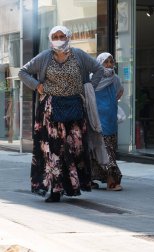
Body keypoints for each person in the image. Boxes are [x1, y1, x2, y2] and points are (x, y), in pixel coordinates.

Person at [18, 26, 104, 202]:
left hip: (74, 107)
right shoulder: (44, 56)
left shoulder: (78, 55)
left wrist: (88, 88)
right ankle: (55, 189)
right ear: (51, 39)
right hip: (50, 110)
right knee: (53, 150)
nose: (58, 39)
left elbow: (99, 69)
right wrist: (37, 86)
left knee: (74, 148)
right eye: (55, 36)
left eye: (62, 36)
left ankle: (71, 186)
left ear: (68, 37)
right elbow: (23, 72)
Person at [91, 52, 124, 191]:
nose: (109, 65)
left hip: (110, 120)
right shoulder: (93, 78)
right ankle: (111, 180)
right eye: (106, 62)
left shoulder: (114, 78)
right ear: (99, 63)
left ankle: (102, 179)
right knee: (100, 151)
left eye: (111, 62)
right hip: (97, 120)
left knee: (109, 150)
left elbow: (120, 91)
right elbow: (87, 95)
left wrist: (111, 103)